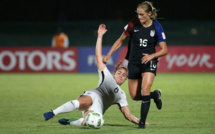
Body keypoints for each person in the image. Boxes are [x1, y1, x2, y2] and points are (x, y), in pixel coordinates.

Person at [43, 24, 154, 127]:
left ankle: (70, 121)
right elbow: (98, 55)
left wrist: (142, 122)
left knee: (92, 123)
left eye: (124, 75)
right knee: (81, 102)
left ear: (125, 79)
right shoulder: (107, 76)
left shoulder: (121, 95)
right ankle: (52, 113)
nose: (121, 75)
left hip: (98, 108)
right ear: (114, 74)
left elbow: (128, 116)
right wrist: (100, 36)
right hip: (92, 96)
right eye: (119, 73)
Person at [103, 1, 168, 129]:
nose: (139, 17)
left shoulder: (156, 26)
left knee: (145, 89)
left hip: (150, 61)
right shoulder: (133, 24)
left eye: (142, 14)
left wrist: (151, 56)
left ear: (149, 13)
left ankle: (142, 123)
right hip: (134, 62)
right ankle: (155, 95)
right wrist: (109, 53)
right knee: (134, 96)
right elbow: (121, 39)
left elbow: (164, 50)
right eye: (138, 14)